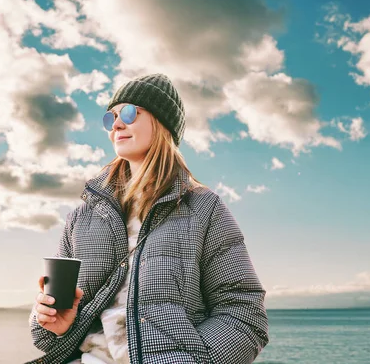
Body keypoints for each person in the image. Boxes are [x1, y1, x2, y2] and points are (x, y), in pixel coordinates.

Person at [27, 74, 269, 364]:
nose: (116, 125)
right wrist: (53, 321)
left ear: (162, 123)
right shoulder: (82, 217)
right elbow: (48, 331)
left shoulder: (204, 208)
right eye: (110, 118)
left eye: (129, 113)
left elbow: (244, 313)